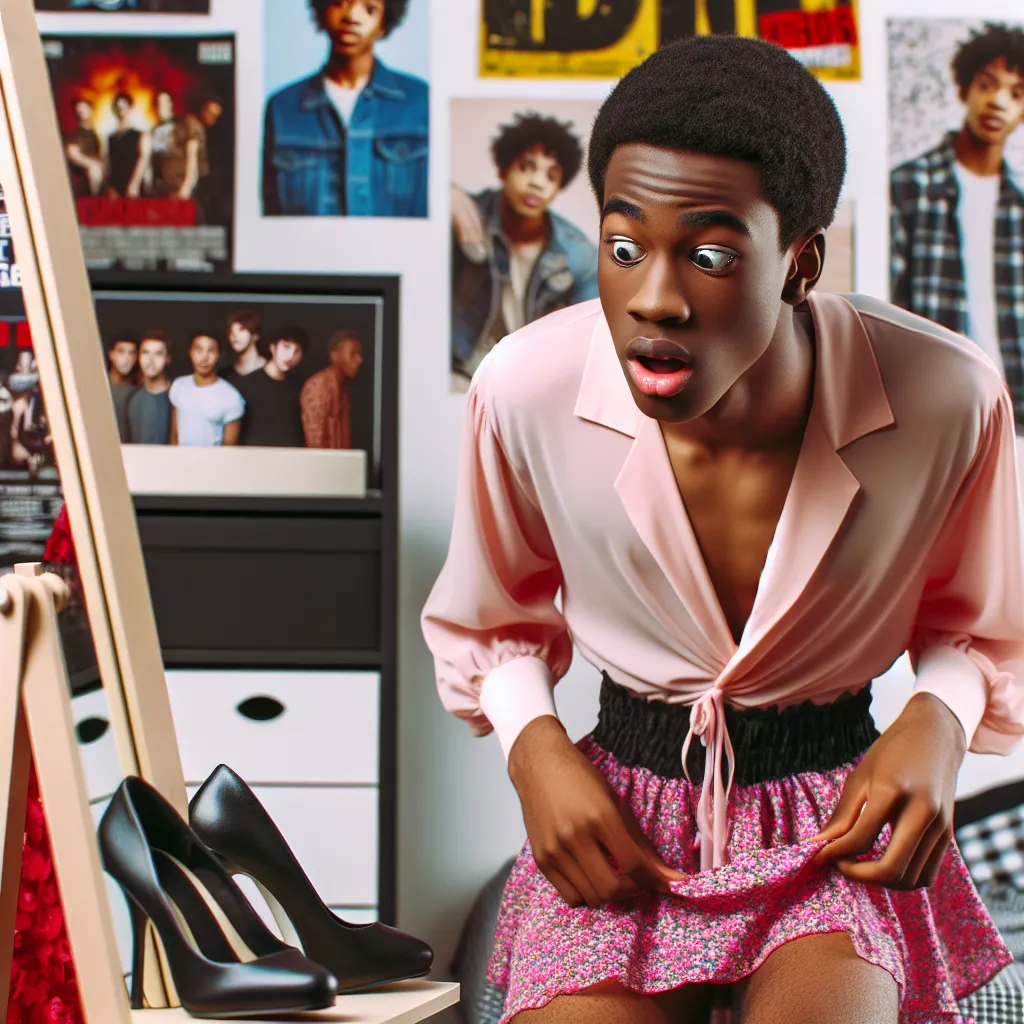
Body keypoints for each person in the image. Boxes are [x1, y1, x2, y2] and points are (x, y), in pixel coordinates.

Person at [421, 35, 1024, 1024]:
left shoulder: (945, 397)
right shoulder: (524, 388)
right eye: (622, 246)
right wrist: (533, 746)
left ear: (800, 262)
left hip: (830, 821)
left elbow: (977, 617)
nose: (652, 296)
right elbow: (493, 618)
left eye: (708, 255)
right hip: (626, 811)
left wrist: (937, 719)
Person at [891, 22, 1024, 432]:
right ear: (965, 89)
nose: (998, 102)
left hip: (1012, 414)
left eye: (1016, 94)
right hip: (935, 410)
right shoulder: (910, 184)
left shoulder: (1020, 203)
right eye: (987, 85)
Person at [451, 111, 599, 383]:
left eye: (551, 176)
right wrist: (447, 194)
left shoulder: (579, 254)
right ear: (503, 169)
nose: (537, 182)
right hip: (462, 370)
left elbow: (591, 344)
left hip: (534, 380)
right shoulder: (467, 216)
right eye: (526, 167)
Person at [262, 0, 429, 218]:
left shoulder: (420, 101)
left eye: (369, 9)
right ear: (321, 12)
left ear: (383, 24)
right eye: (339, 3)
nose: (351, 17)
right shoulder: (282, 107)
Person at [169, 332, 244, 446]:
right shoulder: (179, 386)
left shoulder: (231, 397)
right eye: (199, 350)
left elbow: (229, 451)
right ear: (191, 352)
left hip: (213, 463)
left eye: (211, 350)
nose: (204, 357)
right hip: (180, 462)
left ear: (219, 355)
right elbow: (174, 436)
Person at [236, 326, 307, 447]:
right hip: (255, 459)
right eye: (286, 347)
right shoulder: (246, 384)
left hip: (292, 459)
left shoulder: (301, 386)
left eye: (297, 351)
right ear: (273, 348)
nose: (290, 356)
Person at [300, 329, 363, 449]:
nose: (359, 359)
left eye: (359, 354)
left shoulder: (345, 392)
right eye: (353, 354)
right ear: (335, 356)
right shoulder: (317, 387)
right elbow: (315, 443)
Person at [150, 90, 204, 200]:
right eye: (158, 104)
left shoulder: (185, 125)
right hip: (163, 192)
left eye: (164, 103)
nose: (161, 107)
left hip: (183, 189)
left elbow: (192, 157)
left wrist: (187, 186)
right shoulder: (154, 131)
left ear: (171, 104)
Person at [125, 329, 172, 444]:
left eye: (158, 354)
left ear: (167, 359)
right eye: (145, 352)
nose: (150, 360)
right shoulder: (132, 397)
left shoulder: (175, 398)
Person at [106, 92, 149, 199]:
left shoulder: (140, 135)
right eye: (118, 108)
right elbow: (109, 164)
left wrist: (134, 184)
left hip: (134, 187)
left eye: (124, 108)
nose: (121, 112)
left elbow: (143, 159)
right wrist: (110, 186)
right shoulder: (110, 138)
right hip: (115, 190)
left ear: (130, 109)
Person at [64, 97, 104, 198]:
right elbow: (72, 153)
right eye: (79, 111)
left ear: (91, 110)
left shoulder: (96, 131)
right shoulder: (76, 133)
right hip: (85, 174)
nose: (82, 113)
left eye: (84, 109)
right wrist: (93, 164)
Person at [106, 332, 138, 442]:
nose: (126, 358)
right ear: (111, 355)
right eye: (121, 352)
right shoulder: (99, 388)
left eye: (131, 353)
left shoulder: (137, 392)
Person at [222, 310, 266, 382]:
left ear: (255, 335)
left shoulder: (271, 372)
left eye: (241, 330)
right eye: (231, 331)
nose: (235, 335)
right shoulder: (225, 376)